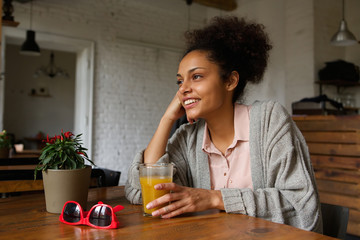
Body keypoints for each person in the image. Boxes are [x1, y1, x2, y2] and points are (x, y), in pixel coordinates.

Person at [125, 16, 322, 233]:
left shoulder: (269, 121)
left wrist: (215, 198)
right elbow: (144, 193)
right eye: (180, 81)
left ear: (230, 81)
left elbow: (301, 204)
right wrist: (167, 119)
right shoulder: (188, 137)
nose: (183, 89)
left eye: (196, 76)